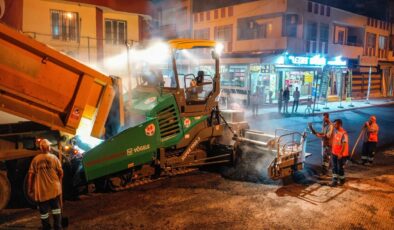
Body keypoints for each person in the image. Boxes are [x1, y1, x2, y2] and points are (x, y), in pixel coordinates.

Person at [28, 139, 64, 230]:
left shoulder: (35, 159)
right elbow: (61, 172)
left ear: (41, 148)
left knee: (44, 213)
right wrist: (58, 183)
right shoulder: (54, 158)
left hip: (42, 190)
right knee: (56, 209)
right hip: (54, 189)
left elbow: (31, 175)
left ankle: (46, 227)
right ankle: (58, 227)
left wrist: (30, 188)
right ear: (48, 148)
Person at [314, 113, 334, 177]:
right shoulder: (325, 125)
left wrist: (320, 136)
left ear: (327, 117)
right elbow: (323, 132)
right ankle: (326, 171)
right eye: (323, 117)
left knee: (326, 159)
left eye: (324, 117)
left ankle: (325, 172)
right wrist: (316, 132)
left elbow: (328, 136)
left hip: (328, 144)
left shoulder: (330, 126)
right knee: (325, 159)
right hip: (325, 144)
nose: (323, 119)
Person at [330, 119, 349, 186]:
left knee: (340, 168)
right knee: (334, 167)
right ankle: (335, 180)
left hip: (341, 155)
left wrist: (340, 153)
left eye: (335, 124)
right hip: (334, 153)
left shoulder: (343, 133)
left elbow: (344, 144)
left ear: (339, 124)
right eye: (334, 124)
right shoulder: (336, 131)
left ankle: (342, 180)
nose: (334, 125)